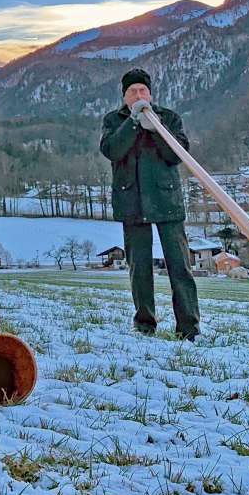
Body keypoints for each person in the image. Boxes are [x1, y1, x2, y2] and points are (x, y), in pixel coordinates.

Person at [100, 67, 200, 339]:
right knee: (139, 268)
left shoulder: (168, 118)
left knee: (179, 266)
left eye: (142, 90)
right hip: (131, 200)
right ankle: (144, 324)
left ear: (151, 95)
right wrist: (133, 123)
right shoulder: (113, 121)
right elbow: (112, 150)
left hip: (166, 199)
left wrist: (155, 127)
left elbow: (176, 154)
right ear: (124, 97)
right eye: (132, 91)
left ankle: (189, 326)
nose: (138, 95)